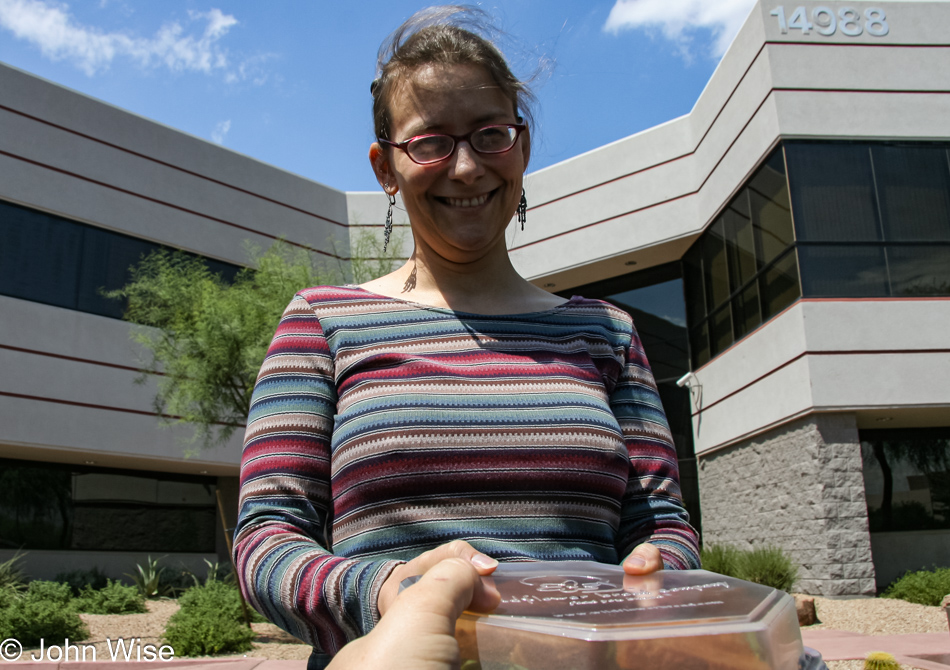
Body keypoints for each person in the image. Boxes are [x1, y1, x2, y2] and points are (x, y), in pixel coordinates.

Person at [233, 7, 700, 669]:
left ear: (523, 145)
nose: (465, 168)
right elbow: (266, 540)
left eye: (490, 135)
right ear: (385, 167)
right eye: (430, 143)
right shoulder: (321, 323)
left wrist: (656, 577)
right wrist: (388, 592)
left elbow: (661, 523)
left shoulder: (605, 333)